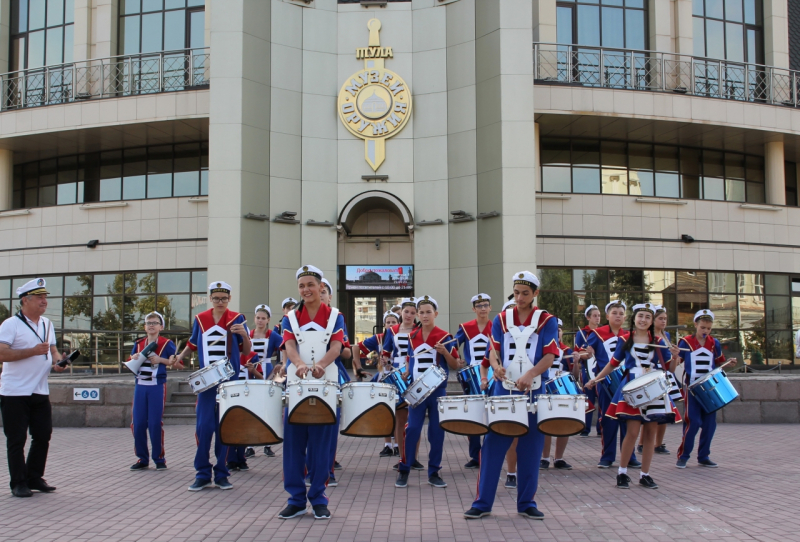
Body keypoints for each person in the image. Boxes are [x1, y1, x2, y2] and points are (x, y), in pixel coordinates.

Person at [463, 271, 558, 520]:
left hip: (534, 391)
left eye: (525, 293)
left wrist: (531, 374)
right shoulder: (502, 318)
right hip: (503, 391)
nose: (520, 297)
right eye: (516, 293)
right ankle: (482, 503)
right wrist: (496, 367)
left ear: (535, 293)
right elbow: (493, 351)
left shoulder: (547, 320)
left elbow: (550, 355)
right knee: (493, 446)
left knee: (531, 448)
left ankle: (526, 503)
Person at [586, 303, 681, 490]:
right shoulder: (625, 339)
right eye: (640, 316)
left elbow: (670, 368)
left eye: (647, 317)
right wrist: (596, 379)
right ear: (634, 319)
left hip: (654, 389)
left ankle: (645, 475)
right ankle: (622, 473)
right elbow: (613, 364)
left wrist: (676, 357)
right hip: (632, 388)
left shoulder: (659, 341)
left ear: (651, 321)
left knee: (650, 433)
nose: (643, 320)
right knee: (632, 432)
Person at [278, 265, 345, 521]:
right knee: (293, 445)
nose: (306, 290)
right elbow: (289, 345)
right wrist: (299, 364)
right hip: (296, 386)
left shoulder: (335, 315)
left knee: (321, 445)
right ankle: (295, 500)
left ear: (321, 287)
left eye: (311, 285)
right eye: (301, 286)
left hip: (327, 386)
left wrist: (321, 365)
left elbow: (337, 347)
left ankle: (318, 498)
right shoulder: (291, 317)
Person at [173, 281, 251, 491]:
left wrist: (244, 334)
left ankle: (222, 473)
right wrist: (179, 357)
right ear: (210, 299)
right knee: (204, 427)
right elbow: (192, 344)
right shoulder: (201, 319)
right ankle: (202, 473)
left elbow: (246, 351)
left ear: (229, 299)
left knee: (224, 428)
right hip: (207, 382)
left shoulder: (237, 318)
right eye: (216, 298)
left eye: (223, 298)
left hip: (228, 381)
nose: (220, 302)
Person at [0, 278, 66, 498]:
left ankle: (34, 477)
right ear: (25, 300)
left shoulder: (47, 323)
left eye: (45, 297)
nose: (44, 301)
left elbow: (52, 349)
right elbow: (2, 353)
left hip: (39, 389)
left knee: (43, 435)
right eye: (39, 297)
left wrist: (58, 362)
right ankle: (18, 483)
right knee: (17, 439)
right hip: (15, 392)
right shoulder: (11, 324)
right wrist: (32, 351)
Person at [395, 296, 460, 489]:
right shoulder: (412, 336)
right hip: (417, 390)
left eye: (428, 312)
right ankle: (404, 469)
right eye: (421, 312)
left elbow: (455, 364)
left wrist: (445, 352)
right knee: (412, 429)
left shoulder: (445, 336)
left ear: (435, 314)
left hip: (437, 391)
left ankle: (434, 472)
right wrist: (407, 371)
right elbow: (410, 358)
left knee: (436, 432)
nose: (424, 316)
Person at [584, 301, 640, 469]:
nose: (618, 316)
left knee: (628, 418)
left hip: (627, 382)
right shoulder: (597, 333)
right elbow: (586, 352)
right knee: (608, 419)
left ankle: (629, 456)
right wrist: (586, 353)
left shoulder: (630, 335)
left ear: (625, 317)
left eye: (621, 313)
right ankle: (607, 456)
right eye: (614, 313)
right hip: (605, 383)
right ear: (607, 316)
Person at [676, 310, 726, 469]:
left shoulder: (714, 343)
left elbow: (718, 362)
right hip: (692, 388)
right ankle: (683, 456)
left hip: (709, 388)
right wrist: (674, 356)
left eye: (708, 328)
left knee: (710, 424)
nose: (705, 331)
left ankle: (704, 456)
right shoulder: (685, 342)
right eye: (703, 327)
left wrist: (729, 362)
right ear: (695, 325)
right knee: (693, 422)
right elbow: (676, 363)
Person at [128, 312, 178, 471]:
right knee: (138, 424)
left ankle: (159, 458)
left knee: (155, 423)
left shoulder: (167, 343)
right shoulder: (138, 343)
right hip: (140, 385)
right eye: (149, 323)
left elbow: (176, 362)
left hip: (157, 385)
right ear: (144, 327)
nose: (151, 325)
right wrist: (133, 358)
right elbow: (130, 361)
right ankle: (142, 458)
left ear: (161, 327)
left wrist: (160, 360)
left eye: (155, 323)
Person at [454, 293, 493, 469]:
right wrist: (456, 359)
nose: (482, 309)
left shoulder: (496, 327)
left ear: (490, 308)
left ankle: (490, 453)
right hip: (471, 376)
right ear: (473, 309)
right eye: (479, 306)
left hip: (491, 376)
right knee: (474, 416)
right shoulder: (466, 327)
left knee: (492, 414)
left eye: (485, 305)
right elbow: (453, 344)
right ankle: (475, 455)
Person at [638, 305, 681, 455]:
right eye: (660, 319)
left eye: (665, 319)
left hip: (665, 376)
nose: (663, 321)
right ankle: (642, 443)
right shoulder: (649, 336)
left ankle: (659, 443)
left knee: (665, 411)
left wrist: (675, 357)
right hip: (651, 376)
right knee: (649, 412)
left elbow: (669, 362)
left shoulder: (666, 336)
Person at [382, 298, 419, 463]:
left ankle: (414, 457)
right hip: (397, 375)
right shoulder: (392, 330)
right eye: (406, 312)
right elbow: (386, 352)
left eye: (412, 312)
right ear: (401, 312)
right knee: (400, 416)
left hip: (415, 373)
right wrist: (385, 361)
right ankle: (401, 454)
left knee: (415, 419)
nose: (409, 315)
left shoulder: (419, 329)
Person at [360, 311, 400, 457]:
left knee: (399, 412)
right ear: (384, 324)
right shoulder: (379, 338)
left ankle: (398, 444)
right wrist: (358, 367)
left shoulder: (403, 336)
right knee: (385, 411)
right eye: (388, 322)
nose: (391, 325)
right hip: (384, 377)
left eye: (394, 322)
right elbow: (357, 347)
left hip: (399, 377)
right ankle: (387, 445)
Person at [246, 305, 282, 459]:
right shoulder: (248, 334)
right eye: (258, 318)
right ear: (254, 319)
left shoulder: (273, 335)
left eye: (263, 318)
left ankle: (268, 444)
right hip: (249, 371)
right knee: (250, 408)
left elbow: (285, 347)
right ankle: (249, 445)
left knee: (267, 407)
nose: (260, 321)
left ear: (268, 320)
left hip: (267, 371)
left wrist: (280, 363)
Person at [540, 319, 577, 471]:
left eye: (559, 330)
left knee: (564, 424)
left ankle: (559, 458)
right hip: (543, 389)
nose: (557, 333)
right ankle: (544, 458)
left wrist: (576, 362)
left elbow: (574, 375)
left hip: (561, 391)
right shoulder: (540, 348)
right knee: (546, 424)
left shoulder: (567, 351)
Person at [574, 305, 601, 436]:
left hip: (600, 368)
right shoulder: (581, 334)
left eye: (599, 316)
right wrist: (587, 353)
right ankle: (585, 428)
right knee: (588, 398)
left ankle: (601, 428)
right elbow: (578, 352)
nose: (597, 318)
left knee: (601, 398)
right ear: (588, 317)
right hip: (587, 369)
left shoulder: (602, 332)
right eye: (595, 316)